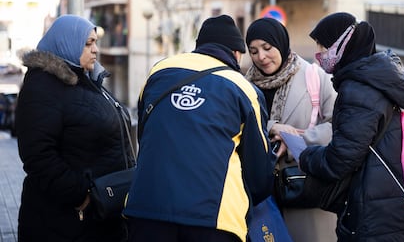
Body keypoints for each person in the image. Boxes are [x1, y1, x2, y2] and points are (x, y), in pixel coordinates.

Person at [123, 14, 275, 242]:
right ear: (236, 53)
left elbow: (145, 135)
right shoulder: (243, 88)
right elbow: (259, 173)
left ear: (200, 46)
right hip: (213, 220)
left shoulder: (158, 72)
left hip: (145, 209)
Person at [15, 14, 135, 242]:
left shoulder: (88, 82)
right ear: (66, 42)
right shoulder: (43, 87)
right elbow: (38, 156)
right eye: (88, 43)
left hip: (102, 218)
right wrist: (83, 195)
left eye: (95, 42)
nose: (95, 50)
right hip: (65, 222)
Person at [299, 12, 404, 241]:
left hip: (375, 214)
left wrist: (306, 156)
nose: (319, 54)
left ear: (343, 45)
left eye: (324, 46)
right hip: (388, 202)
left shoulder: (359, 89)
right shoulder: (375, 79)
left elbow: (341, 159)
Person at [244, 17, 337, 242]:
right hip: (260, 195)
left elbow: (340, 125)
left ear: (281, 43)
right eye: (253, 51)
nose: (261, 57)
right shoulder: (244, 85)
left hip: (304, 186)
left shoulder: (315, 77)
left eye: (267, 48)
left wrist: (298, 139)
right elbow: (239, 125)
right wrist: (271, 127)